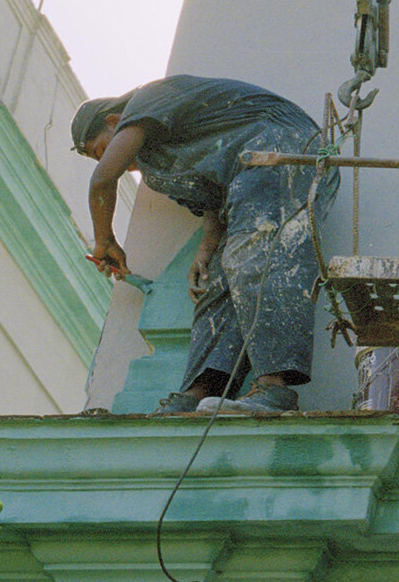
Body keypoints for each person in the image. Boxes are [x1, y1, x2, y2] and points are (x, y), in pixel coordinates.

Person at [73, 76, 338, 414]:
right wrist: (206, 249)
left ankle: (275, 389)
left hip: (283, 152)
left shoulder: (148, 100)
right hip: (247, 179)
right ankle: (202, 392)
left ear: (114, 122)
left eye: (103, 150)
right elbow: (211, 199)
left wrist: (105, 239)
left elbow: (103, 179)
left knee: (255, 258)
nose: (120, 163)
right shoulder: (157, 169)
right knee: (221, 278)